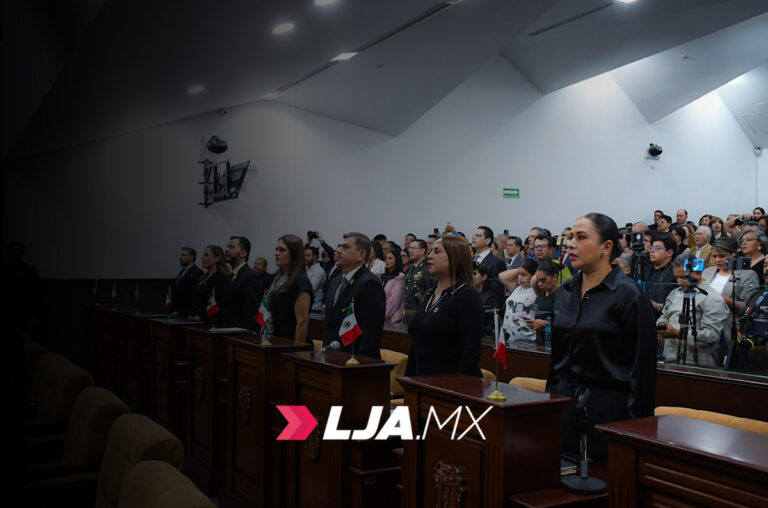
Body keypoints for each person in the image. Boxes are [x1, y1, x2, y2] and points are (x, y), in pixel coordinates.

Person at [547, 212, 656, 462]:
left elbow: (642, 372)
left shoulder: (629, 296)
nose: (571, 244)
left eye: (581, 237)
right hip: (564, 405)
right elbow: (556, 360)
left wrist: (633, 430)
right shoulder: (564, 292)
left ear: (606, 247)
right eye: (570, 237)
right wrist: (551, 402)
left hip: (607, 409)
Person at [405, 236, 483, 377]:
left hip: (450, 385)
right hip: (422, 382)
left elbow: (471, 350)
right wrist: (408, 381)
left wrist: (456, 388)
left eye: (437, 251)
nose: (430, 256)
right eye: (430, 251)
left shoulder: (466, 296)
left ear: (455, 257)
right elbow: (417, 343)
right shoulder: (430, 294)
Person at [657, 253, 728, 367]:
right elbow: (664, 315)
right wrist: (661, 325)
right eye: (677, 277)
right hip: (669, 357)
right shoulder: (674, 293)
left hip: (697, 362)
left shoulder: (712, 298)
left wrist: (678, 333)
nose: (680, 281)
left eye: (684, 277)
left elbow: (711, 335)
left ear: (697, 273)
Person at [322, 233, 386, 358]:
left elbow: (370, 334)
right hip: (331, 357)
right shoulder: (335, 280)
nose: (338, 250)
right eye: (339, 246)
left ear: (361, 254)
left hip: (354, 362)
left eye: (345, 247)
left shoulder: (369, 283)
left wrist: (361, 367)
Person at [701, 237, 760, 343]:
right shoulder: (707, 272)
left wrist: (719, 297)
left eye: (722, 256)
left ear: (733, 254)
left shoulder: (747, 275)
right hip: (704, 326)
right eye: (714, 256)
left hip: (728, 328)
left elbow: (746, 308)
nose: (717, 260)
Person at [263, 235, 313, 342]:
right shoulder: (278, 278)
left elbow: (302, 322)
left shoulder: (301, 281)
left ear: (294, 254)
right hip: (275, 339)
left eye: (282, 250)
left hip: (291, 344)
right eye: (276, 249)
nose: (276, 253)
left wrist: (296, 354)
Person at [221, 236, 260, 329]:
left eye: (231, 247)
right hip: (226, 330)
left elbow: (251, 312)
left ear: (243, 253)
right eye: (226, 247)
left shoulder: (250, 277)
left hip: (239, 335)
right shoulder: (230, 276)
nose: (226, 250)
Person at [499, 258, 539, 345]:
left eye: (524, 275)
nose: (520, 278)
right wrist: (520, 269)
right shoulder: (516, 287)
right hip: (508, 338)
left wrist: (534, 278)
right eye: (518, 274)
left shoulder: (537, 290)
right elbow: (502, 276)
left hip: (527, 339)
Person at [189, 245, 230, 324]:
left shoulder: (221, 278)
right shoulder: (203, 277)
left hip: (210, 323)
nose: (202, 258)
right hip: (196, 321)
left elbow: (219, 305)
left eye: (206, 255)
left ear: (216, 259)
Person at [525, 260, 560, 346]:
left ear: (555, 277)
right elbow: (537, 316)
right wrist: (533, 323)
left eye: (543, 280)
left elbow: (568, 324)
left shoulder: (563, 296)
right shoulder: (540, 297)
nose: (540, 284)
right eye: (538, 281)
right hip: (540, 343)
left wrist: (544, 323)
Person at [643, 232, 678, 318]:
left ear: (669, 252)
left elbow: (678, 305)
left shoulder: (676, 273)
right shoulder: (645, 270)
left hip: (664, 320)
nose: (652, 251)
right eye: (651, 248)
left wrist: (657, 306)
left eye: (658, 248)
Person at [471, 226, 507, 305]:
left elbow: (497, 292)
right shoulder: (470, 260)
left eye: (478, 236)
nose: (473, 238)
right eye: (473, 235)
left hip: (486, 308)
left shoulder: (496, 262)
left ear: (487, 241)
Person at [403, 239, 434, 322]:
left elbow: (429, 291)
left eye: (413, 248)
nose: (410, 251)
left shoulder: (428, 268)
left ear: (422, 251)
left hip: (420, 310)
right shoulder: (411, 267)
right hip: (407, 308)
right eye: (409, 248)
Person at [173, 247, 203, 317]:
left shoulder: (197, 272)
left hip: (189, 313)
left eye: (183, 255)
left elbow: (194, 295)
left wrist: (192, 313)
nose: (180, 258)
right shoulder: (182, 271)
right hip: (179, 311)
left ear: (191, 257)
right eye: (180, 255)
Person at [474, 264, 502, 339]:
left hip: (486, 337)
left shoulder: (491, 296)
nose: (471, 276)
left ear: (484, 277)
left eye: (475, 273)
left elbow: (492, 321)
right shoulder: (469, 294)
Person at [382, 250, 405, 323]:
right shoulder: (384, 276)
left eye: (390, 258)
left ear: (397, 260)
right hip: (382, 313)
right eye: (386, 258)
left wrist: (384, 314)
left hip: (392, 317)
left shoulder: (399, 277)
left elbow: (395, 300)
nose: (387, 260)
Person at [304, 245, 326, 311]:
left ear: (315, 257)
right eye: (304, 255)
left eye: (308, 256)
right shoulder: (306, 268)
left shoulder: (319, 271)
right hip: (304, 306)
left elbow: (309, 288)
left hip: (314, 308)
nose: (305, 258)